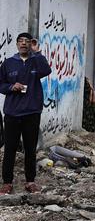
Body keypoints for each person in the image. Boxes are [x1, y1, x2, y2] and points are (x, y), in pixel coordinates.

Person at [0, 32, 52, 195]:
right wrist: (10, 87)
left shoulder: (36, 61)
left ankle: (30, 181)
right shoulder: (8, 63)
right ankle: (7, 183)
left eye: (27, 41)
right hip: (12, 113)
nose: (23, 44)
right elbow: (0, 84)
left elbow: (46, 70)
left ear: (31, 44)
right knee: (10, 149)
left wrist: (37, 52)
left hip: (32, 111)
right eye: (20, 41)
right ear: (16, 44)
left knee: (30, 149)